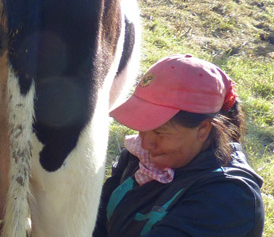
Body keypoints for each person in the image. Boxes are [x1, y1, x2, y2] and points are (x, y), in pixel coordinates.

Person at [94, 54, 264, 237]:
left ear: (203, 130)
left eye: (160, 132)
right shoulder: (141, 156)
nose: (145, 142)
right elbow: (96, 222)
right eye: (143, 126)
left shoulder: (228, 197)